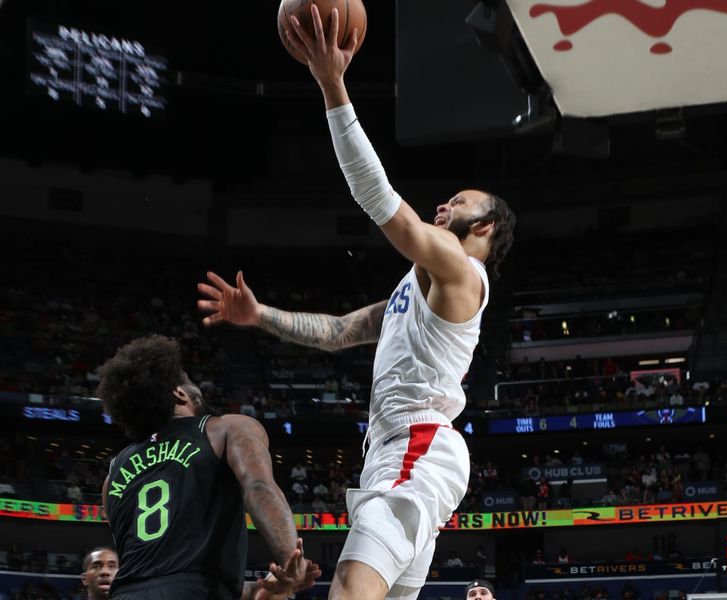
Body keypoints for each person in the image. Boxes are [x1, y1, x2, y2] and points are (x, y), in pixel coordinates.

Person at [198, 6, 515, 600]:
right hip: (401, 454)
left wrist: (332, 85)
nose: (444, 206)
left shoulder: (461, 268)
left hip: (416, 446)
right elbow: (341, 331)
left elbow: (380, 201)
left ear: (488, 227)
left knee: (348, 590)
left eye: (459, 201)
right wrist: (259, 316)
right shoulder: (417, 287)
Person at [97, 335, 319, 600]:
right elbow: (259, 486)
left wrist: (260, 588)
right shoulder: (225, 428)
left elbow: (146, 562)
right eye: (189, 380)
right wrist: (289, 557)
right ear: (179, 393)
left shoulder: (114, 473)